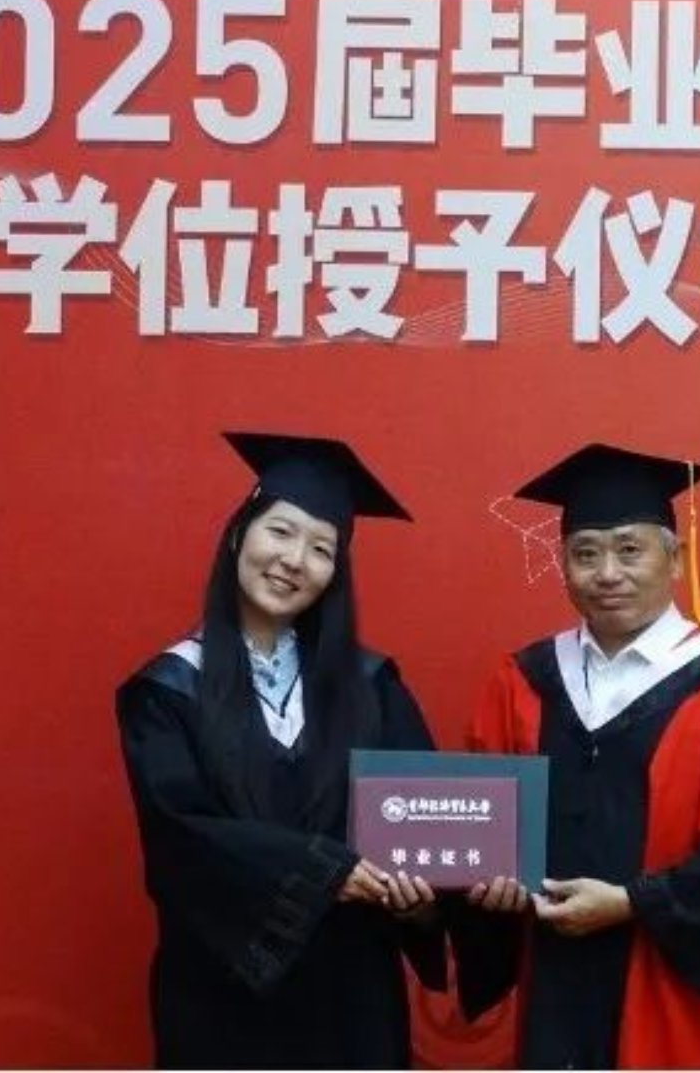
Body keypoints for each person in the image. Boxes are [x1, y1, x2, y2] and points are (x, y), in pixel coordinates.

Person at [453, 442, 700, 1068]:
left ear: (676, 558)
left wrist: (634, 902)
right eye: (585, 553)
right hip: (555, 986)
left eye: (629, 550)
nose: (607, 573)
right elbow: (485, 826)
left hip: (671, 992)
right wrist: (488, 886)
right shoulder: (523, 679)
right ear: (563, 565)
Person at [116, 431, 447, 1069]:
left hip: (352, 998)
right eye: (281, 531)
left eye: (322, 549)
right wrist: (325, 871)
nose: (295, 560)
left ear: (335, 574)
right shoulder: (168, 691)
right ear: (238, 535)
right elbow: (181, 837)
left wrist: (428, 899)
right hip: (221, 1001)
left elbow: (423, 814)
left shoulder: (372, 687)